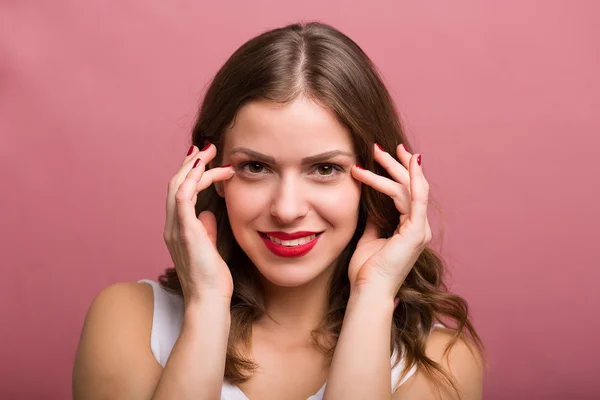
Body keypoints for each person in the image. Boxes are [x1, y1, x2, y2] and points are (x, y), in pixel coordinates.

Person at [72, 21, 485, 400]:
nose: (287, 209)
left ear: (379, 179)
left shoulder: (442, 361)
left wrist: (373, 296)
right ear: (208, 172)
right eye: (256, 167)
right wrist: (207, 304)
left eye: (325, 168)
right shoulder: (130, 321)